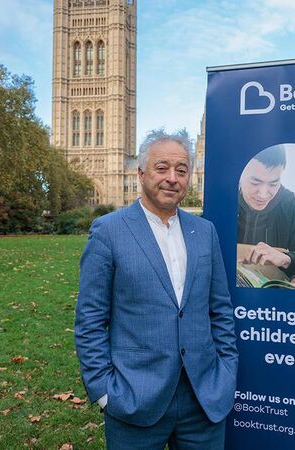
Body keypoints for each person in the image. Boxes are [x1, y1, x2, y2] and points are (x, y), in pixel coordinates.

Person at [75, 130, 238, 450]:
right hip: (135, 400)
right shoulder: (108, 231)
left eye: (181, 170)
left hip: (203, 399)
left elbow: (220, 310)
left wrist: (226, 373)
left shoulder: (204, 231)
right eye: (161, 168)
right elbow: (90, 320)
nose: (172, 178)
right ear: (141, 173)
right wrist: (106, 392)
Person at [237, 145, 295, 277]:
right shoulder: (221, 199)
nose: (263, 194)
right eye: (255, 182)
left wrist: (286, 259)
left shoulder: (293, 205)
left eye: (273, 184)